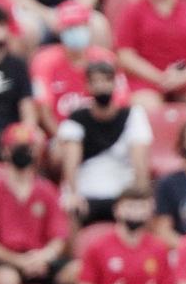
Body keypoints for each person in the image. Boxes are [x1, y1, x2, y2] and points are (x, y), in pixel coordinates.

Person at [55, 60, 151, 225]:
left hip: (123, 191)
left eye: (106, 81)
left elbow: (139, 161)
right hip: (86, 190)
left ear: (115, 83)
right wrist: (74, 193)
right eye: (95, 82)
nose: (101, 86)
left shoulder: (133, 115)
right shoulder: (76, 119)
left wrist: (141, 197)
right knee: (70, 207)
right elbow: (70, 162)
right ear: (87, 86)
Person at [0, 123, 70, 284]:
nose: (23, 152)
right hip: (8, 259)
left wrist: (44, 256)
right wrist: (19, 261)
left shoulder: (47, 189)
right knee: (7, 279)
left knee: (76, 271)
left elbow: (59, 235)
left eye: (28, 147)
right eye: (17, 147)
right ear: (5, 151)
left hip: (42, 257)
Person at [73, 187, 173, 284]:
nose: (135, 213)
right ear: (117, 210)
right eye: (130, 206)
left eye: (141, 207)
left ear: (149, 212)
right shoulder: (99, 247)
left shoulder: (159, 248)